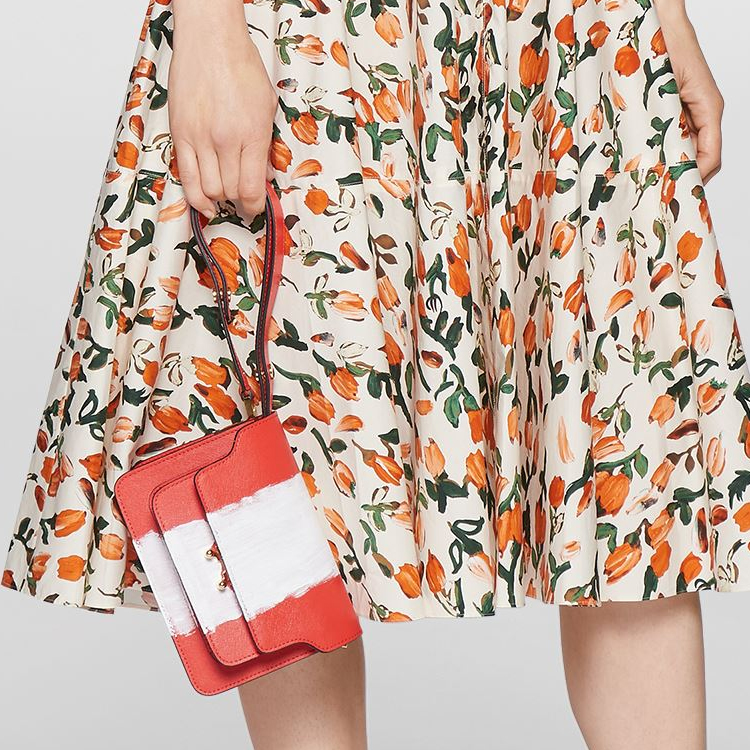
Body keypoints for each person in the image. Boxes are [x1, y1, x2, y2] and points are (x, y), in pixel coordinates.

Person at [2, 0, 747, 747]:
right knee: (290, 458)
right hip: (321, 27)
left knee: (623, 445)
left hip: (563, 26)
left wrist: (666, 12)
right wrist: (208, 26)